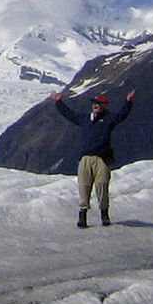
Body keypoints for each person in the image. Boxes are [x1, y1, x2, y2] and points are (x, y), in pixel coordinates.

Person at [50, 89, 135, 228]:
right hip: (85, 158)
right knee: (84, 186)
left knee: (102, 185)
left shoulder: (108, 119)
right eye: (94, 103)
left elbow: (121, 116)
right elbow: (69, 115)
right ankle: (82, 216)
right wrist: (59, 102)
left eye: (99, 104)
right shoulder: (84, 119)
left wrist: (128, 102)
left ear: (104, 106)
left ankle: (104, 214)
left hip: (101, 158)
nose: (96, 105)